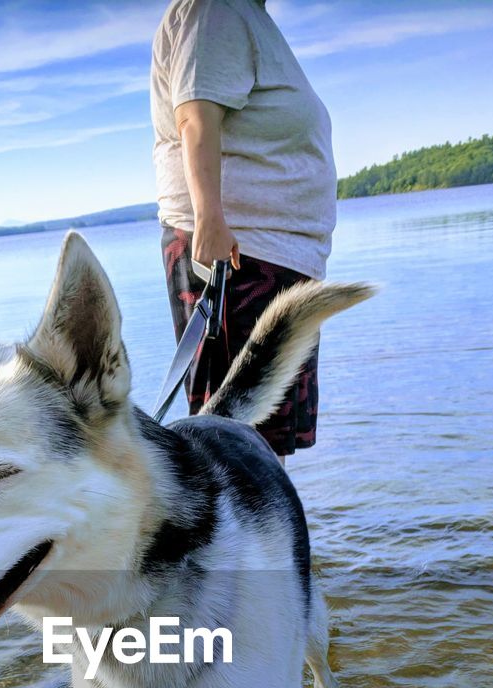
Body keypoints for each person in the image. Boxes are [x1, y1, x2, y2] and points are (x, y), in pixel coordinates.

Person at [150, 0, 337, 461]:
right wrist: (209, 220)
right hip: (236, 259)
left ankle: (268, 536)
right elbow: (195, 114)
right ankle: (236, 537)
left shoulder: (244, 15)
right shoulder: (217, 8)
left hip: (267, 257)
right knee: (234, 444)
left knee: (262, 449)